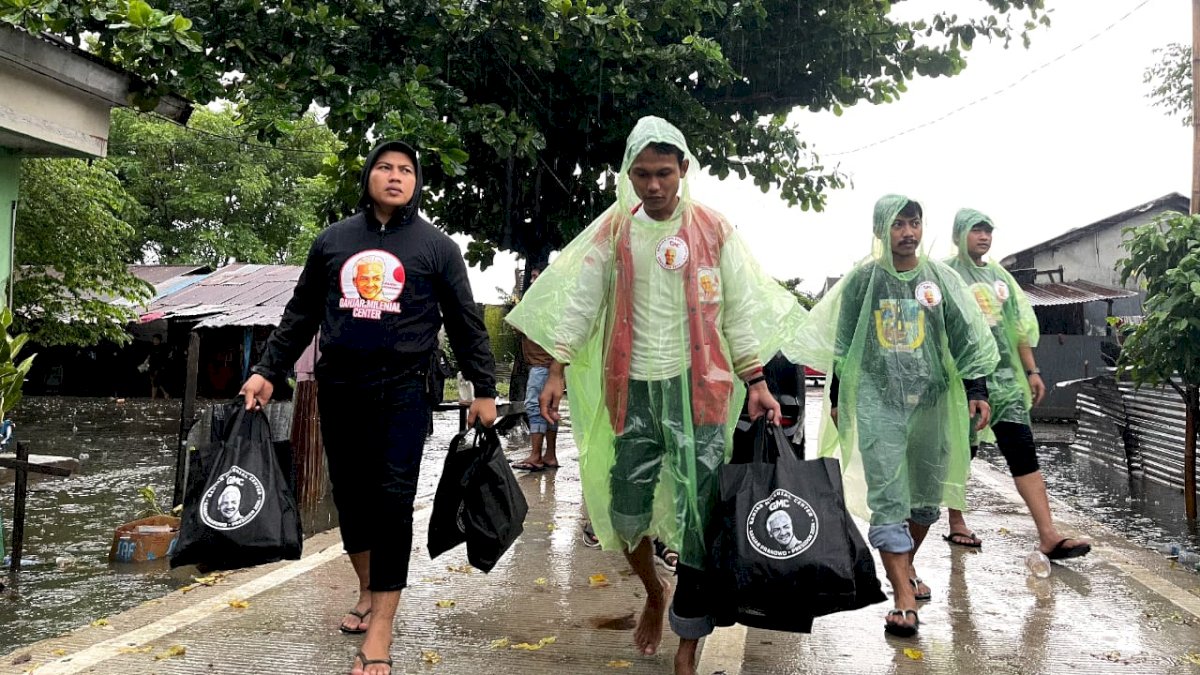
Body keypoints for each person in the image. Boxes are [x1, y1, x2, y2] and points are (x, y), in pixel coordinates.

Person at [506, 116, 805, 675]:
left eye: (664, 173)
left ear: (684, 169)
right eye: (642, 174)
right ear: (629, 174)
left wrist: (757, 381)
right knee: (624, 513)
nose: (653, 185)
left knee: (699, 515)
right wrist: (557, 369)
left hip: (701, 393)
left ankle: (687, 642)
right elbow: (582, 302)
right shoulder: (616, 230)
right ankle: (653, 590)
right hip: (634, 391)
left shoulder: (713, 230)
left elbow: (738, 311)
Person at [238, 140, 497, 675]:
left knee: (393, 501)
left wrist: (484, 389)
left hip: (406, 391)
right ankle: (366, 587)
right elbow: (301, 313)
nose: (395, 176)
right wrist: (266, 370)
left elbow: (465, 321)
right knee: (351, 497)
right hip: (341, 387)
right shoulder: (334, 241)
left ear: (416, 182)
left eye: (406, 170)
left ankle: (382, 625)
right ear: (368, 177)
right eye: (385, 167)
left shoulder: (437, 247)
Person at [793, 195, 998, 638]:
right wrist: (838, 395)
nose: (908, 233)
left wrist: (977, 390)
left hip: (932, 401)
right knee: (887, 496)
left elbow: (965, 337)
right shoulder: (863, 281)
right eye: (898, 224)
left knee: (925, 500)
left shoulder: (939, 279)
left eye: (914, 223)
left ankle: (905, 568)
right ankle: (902, 596)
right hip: (877, 400)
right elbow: (844, 343)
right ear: (880, 230)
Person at [944, 209, 1091, 558]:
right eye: (976, 230)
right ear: (958, 235)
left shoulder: (1000, 277)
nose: (984, 237)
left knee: (1022, 448)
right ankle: (957, 521)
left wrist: (1032, 371)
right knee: (964, 451)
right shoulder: (945, 274)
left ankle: (1048, 535)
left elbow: (1016, 326)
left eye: (988, 231)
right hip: (964, 380)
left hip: (1006, 380)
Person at [511, 267, 560, 472]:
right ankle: (550, 455)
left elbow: (517, 325)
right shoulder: (554, 302)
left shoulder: (538, 304)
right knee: (550, 409)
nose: (531, 280)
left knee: (534, 407)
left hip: (541, 366)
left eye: (535, 276)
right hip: (551, 365)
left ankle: (536, 455)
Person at [148, 334, 170, 399]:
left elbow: (161, 359)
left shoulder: (161, 348)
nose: (154, 341)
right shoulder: (152, 347)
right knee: (154, 382)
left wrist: (158, 369)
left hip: (157, 368)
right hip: (151, 367)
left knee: (155, 382)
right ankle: (164, 394)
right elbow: (150, 357)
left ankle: (154, 397)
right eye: (154, 340)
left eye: (156, 340)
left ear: (159, 341)